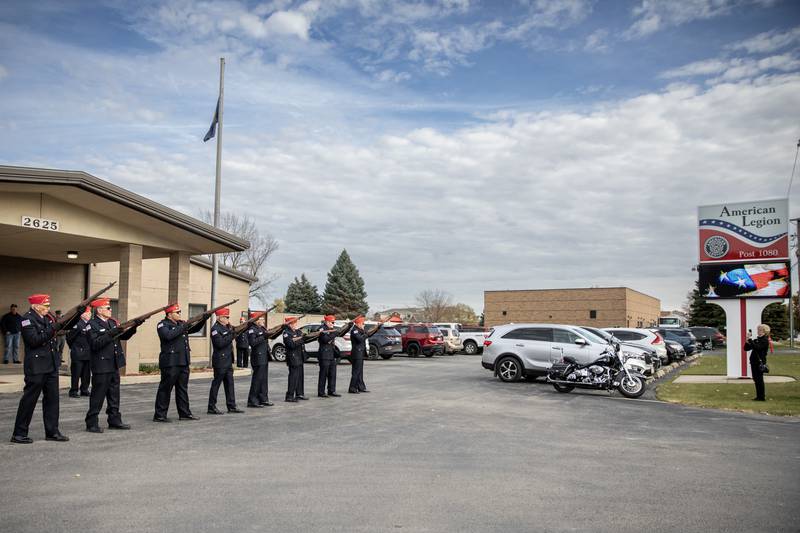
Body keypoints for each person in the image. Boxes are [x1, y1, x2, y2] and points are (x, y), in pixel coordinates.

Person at [10, 294, 68, 444]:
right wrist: (53, 329)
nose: (48, 308)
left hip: (50, 365)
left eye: (48, 305)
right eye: (46, 305)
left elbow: (59, 328)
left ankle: (52, 431)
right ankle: (19, 433)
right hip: (36, 366)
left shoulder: (47, 318)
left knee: (52, 400)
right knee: (29, 400)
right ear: (36, 306)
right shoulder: (27, 319)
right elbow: (34, 340)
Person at [85, 298, 141, 433]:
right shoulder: (91, 324)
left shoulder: (112, 322)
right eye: (108, 308)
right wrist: (111, 333)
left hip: (113, 363)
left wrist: (134, 326)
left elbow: (123, 336)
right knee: (98, 395)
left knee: (114, 395)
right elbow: (95, 344)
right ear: (99, 310)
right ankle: (92, 422)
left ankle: (114, 420)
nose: (111, 310)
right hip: (101, 364)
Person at [153, 303, 207, 422]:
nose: (179, 314)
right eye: (177, 312)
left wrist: (203, 319)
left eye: (179, 312)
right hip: (171, 362)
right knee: (165, 389)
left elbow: (194, 329)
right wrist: (184, 325)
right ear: (169, 314)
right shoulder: (162, 324)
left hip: (183, 360)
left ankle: (184, 413)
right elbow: (168, 336)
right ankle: (160, 415)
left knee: (182, 389)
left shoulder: (181, 324)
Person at [207, 308, 244, 415]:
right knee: (216, 384)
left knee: (230, 384)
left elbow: (235, 332)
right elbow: (220, 343)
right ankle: (211, 406)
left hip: (227, 361)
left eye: (228, 317)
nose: (228, 319)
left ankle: (231, 406)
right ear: (220, 318)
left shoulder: (228, 327)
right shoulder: (215, 329)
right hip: (220, 361)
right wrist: (232, 334)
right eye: (226, 317)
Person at [317, 315, 349, 398]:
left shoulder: (331, 329)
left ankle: (331, 390)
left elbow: (341, 333)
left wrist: (348, 326)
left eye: (334, 322)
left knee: (332, 374)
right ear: (327, 322)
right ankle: (321, 392)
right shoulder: (322, 329)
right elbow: (325, 340)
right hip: (324, 355)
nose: (333, 324)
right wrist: (334, 333)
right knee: (323, 374)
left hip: (331, 354)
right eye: (332, 322)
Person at [246, 313, 273, 408]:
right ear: (256, 320)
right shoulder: (251, 329)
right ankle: (252, 400)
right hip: (257, 357)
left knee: (263, 379)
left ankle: (263, 399)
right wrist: (263, 336)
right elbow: (252, 343)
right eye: (261, 319)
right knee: (257, 380)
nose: (263, 321)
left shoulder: (261, 328)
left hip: (264, 356)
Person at [66, 306, 92, 397]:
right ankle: (73, 391)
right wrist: (74, 348)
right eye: (88, 313)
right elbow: (69, 338)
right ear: (82, 315)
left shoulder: (90, 324)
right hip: (78, 353)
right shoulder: (77, 324)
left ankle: (84, 389)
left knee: (86, 374)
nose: (90, 314)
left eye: (90, 313)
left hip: (88, 353)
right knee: (76, 373)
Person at [283, 316, 307, 402]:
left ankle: (299, 393)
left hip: (300, 356)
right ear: (290, 324)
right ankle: (289, 396)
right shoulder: (286, 333)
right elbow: (291, 344)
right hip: (293, 357)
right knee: (293, 377)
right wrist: (301, 340)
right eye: (294, 323)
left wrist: (303, 338)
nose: (296, 324)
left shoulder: (298, 331)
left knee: (300, 376)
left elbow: (302, 339)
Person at [744, 324, 770, 402]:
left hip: (759, 363)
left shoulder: (765, 340)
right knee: (756, 379)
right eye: (758, 330)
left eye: (760, 330)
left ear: (764, 331)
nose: (758, 331)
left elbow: (757, 347)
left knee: (759, 379)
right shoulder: (756, 340)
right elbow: (746, 348)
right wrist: (747, 340)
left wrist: (750, 340)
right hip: (753, 362)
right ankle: (758, 396)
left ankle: (761, 397)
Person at [349, 316, 371, 394]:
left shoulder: (360, 330)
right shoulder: (355, 331)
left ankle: (361, 387)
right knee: (356, 372)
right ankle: (352, 388)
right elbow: (360, 339)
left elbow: (368, 334)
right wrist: (366, 334)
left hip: (360, 353)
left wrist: (377, 328)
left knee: (360, 372)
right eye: (363, 323)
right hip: (356, 354)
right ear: (358, 324)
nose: (364, 325)